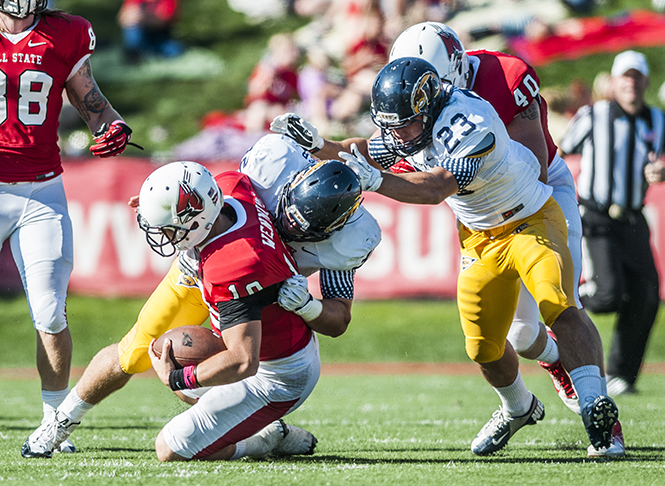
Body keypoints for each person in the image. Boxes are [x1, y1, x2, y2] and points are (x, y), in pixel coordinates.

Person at [273, 57, 619, 457]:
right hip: (480, 239)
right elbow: (366, 151)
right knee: (483, 348)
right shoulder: (410, 125)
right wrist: (319, 146)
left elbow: (438, 187)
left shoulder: (467, 119)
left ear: (429, 104)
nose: (398, 135)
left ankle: (596, 410)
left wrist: (378, 180)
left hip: (530, 220)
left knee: (557, 303)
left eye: (405, 125)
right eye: (393, 125)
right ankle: (518, 408)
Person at [21, 137, 381, 457]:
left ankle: (262, 433)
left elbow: (333, 321)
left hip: (242, 288)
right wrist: (162, 205)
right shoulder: (260, 173)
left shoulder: (347, 243)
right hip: (202, 267)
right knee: (140, 349)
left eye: (304, 228)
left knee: (195, 368)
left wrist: (309, 306)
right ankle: (60, 421)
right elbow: (209, 198)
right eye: (283, 212)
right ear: (290, 183)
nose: (286, 225)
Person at [381, 21, 624, 457]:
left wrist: (464, 170)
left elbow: (534, 164)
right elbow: (400, 162)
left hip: (537, 197)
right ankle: (550, 362)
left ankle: (602, 420)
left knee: (561, 300)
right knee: (519, 337)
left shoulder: (504, 76)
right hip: (482, 224)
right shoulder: (415, 108)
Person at [0, 0, 135, 456]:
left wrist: (109, 123)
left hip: (41, 190)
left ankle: (53, 421)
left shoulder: (66, 32)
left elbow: (88, 97)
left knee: (50, 310)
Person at [559, 50, 665, 398]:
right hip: (597, 217)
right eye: (626, 76)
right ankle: (559, 307)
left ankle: (621, 374)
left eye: (637, 77)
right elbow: (561, 151)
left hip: (634, 218)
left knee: (647, 295)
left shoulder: (657, 121)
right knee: (607, 294)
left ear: (645, 82)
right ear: (615, 82)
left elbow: (660, 162)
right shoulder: (595, 115)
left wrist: (660, 172)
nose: (631, 83)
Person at [118, 0, 184, 64]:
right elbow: (123, 18)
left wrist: (141, 17)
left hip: (160, 37)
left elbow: (164, 21)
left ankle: (146, 54)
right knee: (132, 27)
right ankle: (133, 54)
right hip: (139, 35)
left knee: (175, 50)